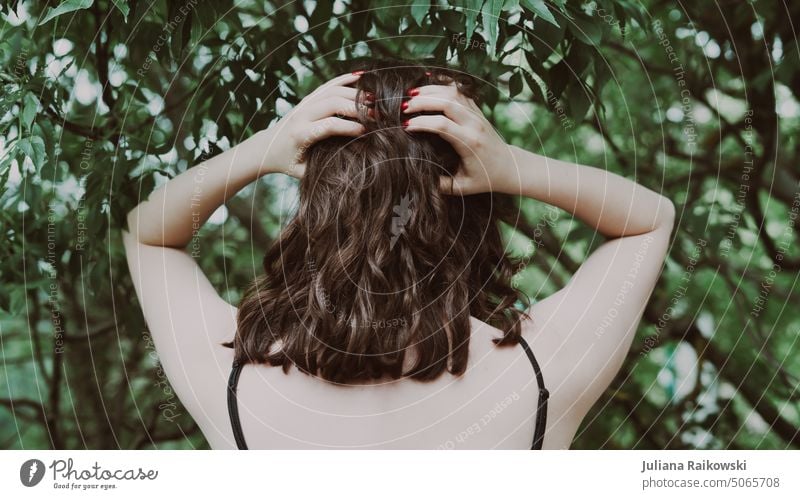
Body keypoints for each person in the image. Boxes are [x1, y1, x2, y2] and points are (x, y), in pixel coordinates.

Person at [123, 60, 674, 449]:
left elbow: (145, 232)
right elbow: (649, 221)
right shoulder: (543, 370)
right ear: (473, 210)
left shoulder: (232, 377)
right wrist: (511, 166)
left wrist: (266, 147)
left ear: (318, 208)